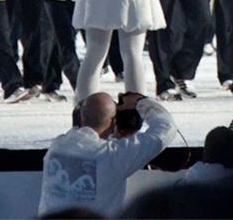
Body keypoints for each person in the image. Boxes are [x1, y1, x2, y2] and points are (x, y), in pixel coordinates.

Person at [38, 91, 177, 218]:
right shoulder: (114, 156)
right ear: (113, 122)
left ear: (80, 117)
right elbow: (166, 128)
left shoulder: (57, 146)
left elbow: (87, 139)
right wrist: (141, 102)